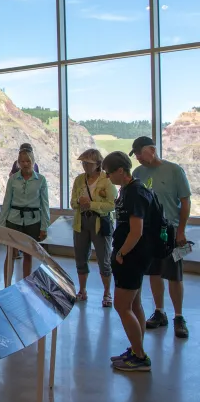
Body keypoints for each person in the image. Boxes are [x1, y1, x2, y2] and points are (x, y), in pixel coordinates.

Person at [130, 136, 191, 339]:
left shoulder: (174, 170)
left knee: (174, 275)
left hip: (171, 229)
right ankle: (159, 312)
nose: (137, 157)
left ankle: (179, 316)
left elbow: (185, 201)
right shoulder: (138, 173)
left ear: (152, 149)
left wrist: (181, 230)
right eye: (135, 154)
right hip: (149, 231)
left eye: (140, 152)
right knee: (154, 272)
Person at [103, 151, 153, 372]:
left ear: (121, 171)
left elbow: (136, 231)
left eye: (109, 172)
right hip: (135, 256)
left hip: (131, 258)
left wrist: (121, 253)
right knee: (134, 304)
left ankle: (140, 357)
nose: (107, 176)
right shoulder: (130, 190)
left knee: (122, 305)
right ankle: (136, 349)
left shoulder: (134, 193)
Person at [70, 149, 117, 307]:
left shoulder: (107, 180)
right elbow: (72, 202)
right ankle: (82, 290)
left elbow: (111, 205)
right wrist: (79, 203)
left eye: (88, 163)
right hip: (81, 221)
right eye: (83, 163)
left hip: (100, 223)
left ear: (98, 164)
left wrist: (91, 204)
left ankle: (107, 293)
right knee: (80, 257)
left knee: (104, 259)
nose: (85, 166)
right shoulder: (79, 180)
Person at [0, 148, 50, 287]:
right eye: (22, 161)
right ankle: (6, 286)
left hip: (33, 221)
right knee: (10, 254)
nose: (25, 164)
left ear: (33, 162)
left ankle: (26, 285)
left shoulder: (41, 180)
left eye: (28, 161)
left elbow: (45, 205)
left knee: (28, 255)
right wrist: (2, 225)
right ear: (18, 163)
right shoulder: (13, 179)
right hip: (13, 220)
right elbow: (6, 202)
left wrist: (44, 226)